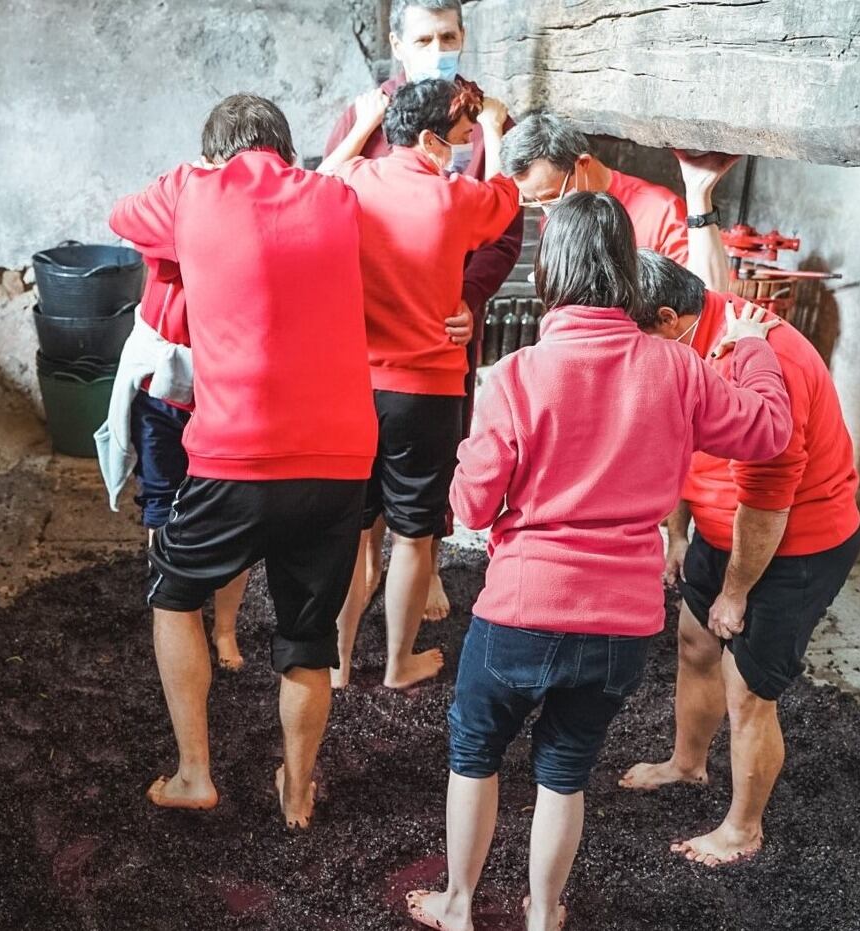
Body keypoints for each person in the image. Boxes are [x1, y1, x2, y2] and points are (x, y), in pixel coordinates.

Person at [405, 192, 792, 931]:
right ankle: (543, 913)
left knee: (476, 753)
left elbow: (472, 507)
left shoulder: (516, 375)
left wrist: (468, 456)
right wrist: (751, 346)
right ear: (624, 269)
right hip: (621, 624)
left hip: (520, 610)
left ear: (549, 269)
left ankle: (458, 906)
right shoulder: (677, 367)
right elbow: (768, 430)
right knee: (564, 769)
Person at [109, 94, 377, 829]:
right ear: (287, 153)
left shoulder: (192, 190)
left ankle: (196, 772)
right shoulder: (336, 195)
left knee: (173, 597)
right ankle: (296, 788)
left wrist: (196, 171)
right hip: (338, 457)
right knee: (307, 637)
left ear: (213, 154)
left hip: (236, 452)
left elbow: (121, 216)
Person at [619, 248, 860, 867]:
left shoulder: (762, 362)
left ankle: (742, 829)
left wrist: (736, 592)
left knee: (747, 685)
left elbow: (766, 503)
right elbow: (678, 446)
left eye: (631, 333)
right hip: (723, 526)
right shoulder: (687, 341)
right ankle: (687, 764)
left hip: (795, 539)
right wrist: (680, 535)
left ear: (670, 317)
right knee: (694, 642)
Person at [325, 0, 525, 622]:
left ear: (463, 37)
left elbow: (505, 237)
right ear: (397, 43)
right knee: (378, 488)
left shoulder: (483, 113)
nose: (437, 47)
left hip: (442, 328)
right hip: (380, 348)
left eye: (448, 35)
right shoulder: (369, 116)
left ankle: (422, 568)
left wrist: (468, 297)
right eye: (424, 37)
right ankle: (377, 568)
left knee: (430, 468)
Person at [128, 272, 250, 671]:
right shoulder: (172, 217)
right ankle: (177, 616)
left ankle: (225, 628)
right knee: (161, 509)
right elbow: (127, 219)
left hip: (231, 389)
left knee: (236, 514)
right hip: (162, 391)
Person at [500, 111, 690, 263]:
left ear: (582, 164)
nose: (548, 210)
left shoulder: (660, 211)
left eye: (553, 196)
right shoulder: (556, 218)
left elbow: (693, 299)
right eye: (536, 201)